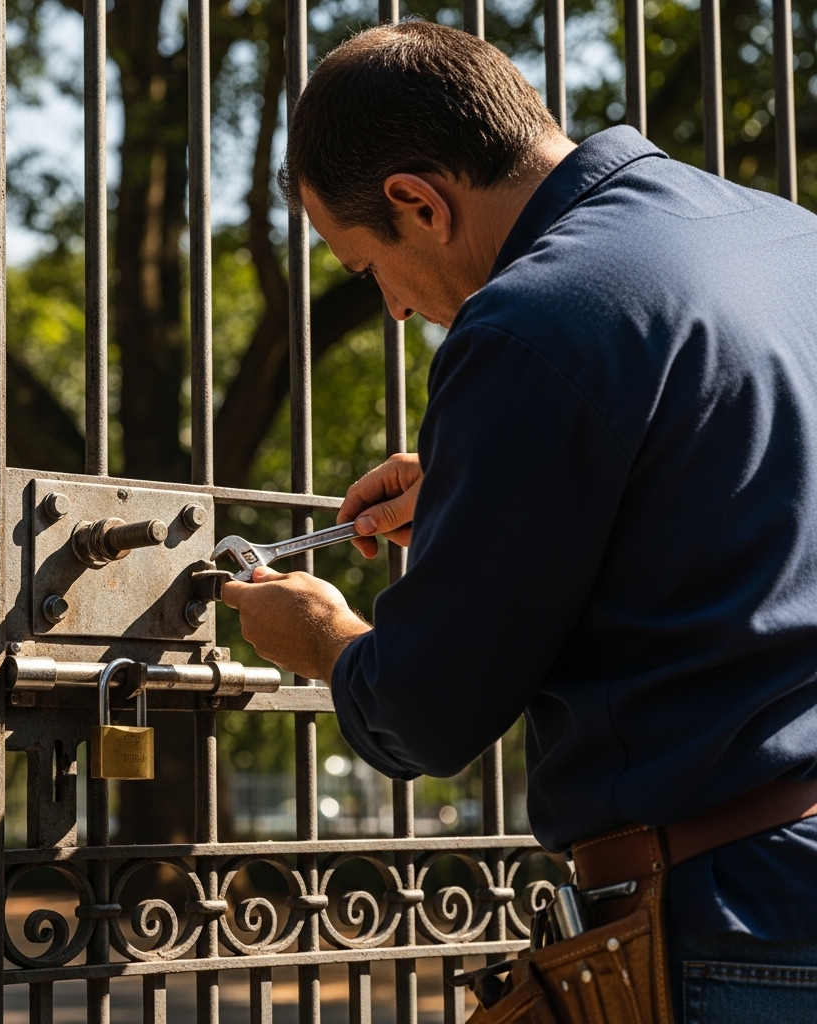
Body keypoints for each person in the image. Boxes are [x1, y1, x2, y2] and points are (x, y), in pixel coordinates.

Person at [222, 19, 817, 1024]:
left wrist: (322, 642)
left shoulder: (533, 317)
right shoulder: (785, 235)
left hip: (735, 920)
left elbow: (427, 711)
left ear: (418, 202)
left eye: (367, 270)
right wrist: (486, 484)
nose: (399, 313)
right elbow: (737, 486)